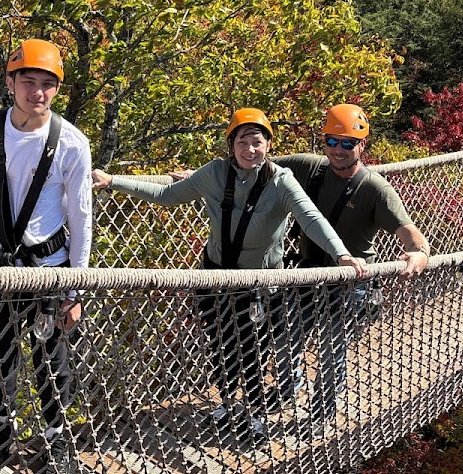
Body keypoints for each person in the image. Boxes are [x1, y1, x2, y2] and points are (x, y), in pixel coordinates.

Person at [92, 108, 366, 443]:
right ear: (231, 145)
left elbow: (310, 218)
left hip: (260, 284)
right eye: (243, 142)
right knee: (220, 344)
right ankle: (226, 404)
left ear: (268, 145)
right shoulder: (215, 174)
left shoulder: (281, 181)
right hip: (215, 278)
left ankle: (254, 416)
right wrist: (113, 181)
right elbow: (166, 196)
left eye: (257, 142)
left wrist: (341, 254)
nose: (250, 149)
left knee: (252, 348)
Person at [0, 39, 93, 474]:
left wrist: (75, 288)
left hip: (47, 266)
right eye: (27, 80)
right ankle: (2, 432)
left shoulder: (71, 142)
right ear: (9, 82)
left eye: (47, 84)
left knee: (50, 358)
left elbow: (81, 216)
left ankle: (57, 440)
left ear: (57, 89)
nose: (37, 91)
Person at [275, 103, 430, 413]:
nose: (338, 150)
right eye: (332, 141)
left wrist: (420, 252)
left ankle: (323, 411)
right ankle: (290, 389)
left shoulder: (374, 189)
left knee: (332, 349)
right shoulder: (309, 168)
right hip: (308, 273)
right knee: (286, 335)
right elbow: (252, 163)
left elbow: (407, 229)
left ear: (362, 144)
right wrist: (200, 177)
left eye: (347, 143)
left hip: (350, 282)